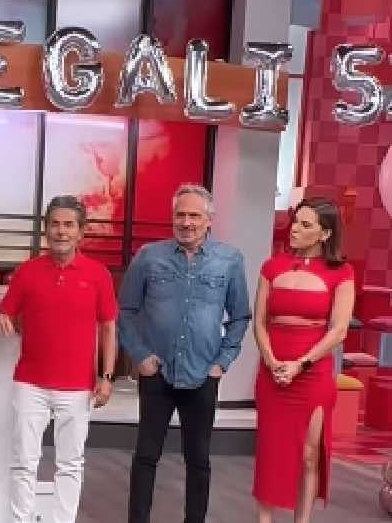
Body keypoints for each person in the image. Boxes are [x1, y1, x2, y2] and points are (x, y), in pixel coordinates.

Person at [118, 183, 251, 523]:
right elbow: (126, 311)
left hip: (203, 374)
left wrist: (222, 362)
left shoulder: (229, 260)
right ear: (172, 217)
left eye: (194, 216)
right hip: (157, 372)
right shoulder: (149, 256)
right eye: (180, 215)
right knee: (146, 455)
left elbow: (240, 317)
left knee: (199, 459)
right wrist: (140, 355)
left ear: (209, 220)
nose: (186, 222)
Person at [0, 195, 118, 523]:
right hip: (30, 384)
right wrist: (2, 317)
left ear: (81, 231)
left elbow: (108, 328)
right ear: (45, 229)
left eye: (69, 225)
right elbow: (6, 311)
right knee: (23, 462)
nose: (61, 231)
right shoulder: (27, 271)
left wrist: (106, 377)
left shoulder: (98, 274)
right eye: (55, 224)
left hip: (78, 386)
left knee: (70, 464)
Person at [252, 197, 354, 523]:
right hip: (273, 371)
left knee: (309, 455)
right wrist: (271, 361)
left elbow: (339, 330)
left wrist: (300, 365)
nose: (294, 228)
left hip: (312, 373)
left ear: (325, 234)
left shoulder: (342, 272)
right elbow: (259, 322)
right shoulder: (271, 266)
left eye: (305, 224)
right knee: (270, 451)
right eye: (295, 221)